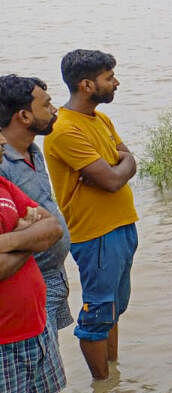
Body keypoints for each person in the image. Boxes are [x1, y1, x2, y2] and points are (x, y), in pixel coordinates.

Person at [43, 49, 137, 380]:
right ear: (86, 84)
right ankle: (103, 383)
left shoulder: (100, 119)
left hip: (123, 226)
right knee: (97, 314)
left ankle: (113, 374)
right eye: (109, 78)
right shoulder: (65, 129)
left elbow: (129, 162)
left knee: (113, 309)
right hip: (96, 234)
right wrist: (116, 166)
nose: (116, 83)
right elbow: (112, 179)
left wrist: (118, 165)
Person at [0, 76, 73, 340]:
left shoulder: (33, 151)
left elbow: (40, 216)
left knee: (49, 352)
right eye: (47, 104)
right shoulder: (3, 166)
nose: (54, 110)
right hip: (27, 282)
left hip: (54, 275)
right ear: (24, 116)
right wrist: (35, 234)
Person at [0, 168, 66, 393]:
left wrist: (13, 239)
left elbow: (53, 227)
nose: (2, 142)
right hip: (4, 343)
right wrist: (30, 237)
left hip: (38, 328)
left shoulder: (3, 185)